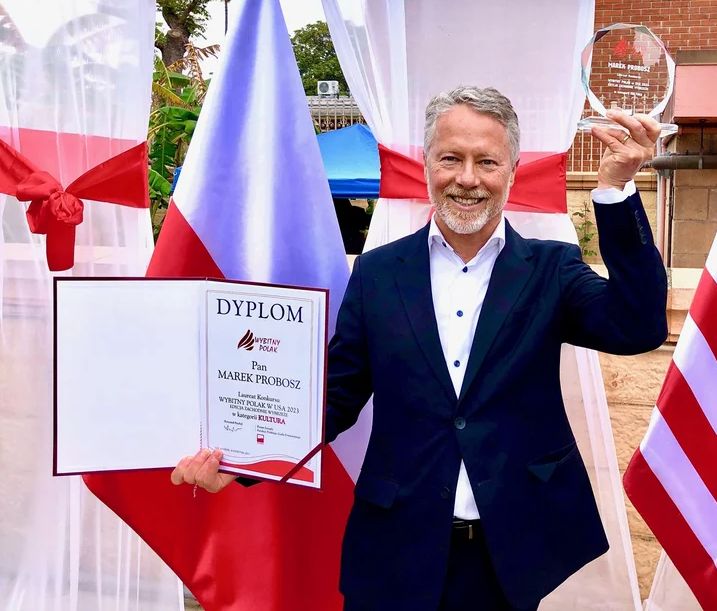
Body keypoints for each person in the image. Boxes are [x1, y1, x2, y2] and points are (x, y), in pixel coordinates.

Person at [172, 86, 668, 611]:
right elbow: (336, 397)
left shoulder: (552, 269)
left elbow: (636, 327)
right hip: (395, 547)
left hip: (509, 551)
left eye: (487, 161)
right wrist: (242, 459)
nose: (467, 178)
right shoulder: (378, 273)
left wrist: (615, 190)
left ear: (513, 171)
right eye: (451, 158)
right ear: (427, 162)